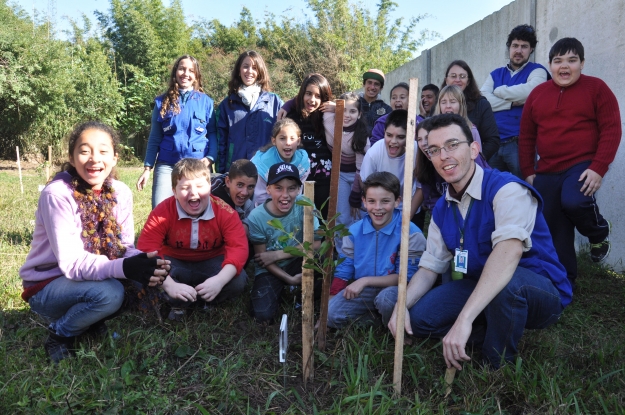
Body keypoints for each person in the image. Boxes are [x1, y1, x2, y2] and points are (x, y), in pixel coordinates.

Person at [380, 113, 572, 369]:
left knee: (508, 285)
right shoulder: (441, 208)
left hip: (537, 289)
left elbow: (509, 253)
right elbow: (429, 267)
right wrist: (403, 305)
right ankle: (487, 329)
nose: (444, 156)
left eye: (452, 145)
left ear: (473, 149)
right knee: (419, 319)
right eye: (434, 150)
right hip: (479, 285)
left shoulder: (507, 190)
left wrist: (463, 319)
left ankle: (497, 363)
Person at [20, 121, 170, 363]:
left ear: (114, 158)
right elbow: (71, 263)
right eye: (84, 150)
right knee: (111, 293)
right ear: (71, 156)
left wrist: (144, 262)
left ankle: (90, 319)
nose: (94, 159)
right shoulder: (57, 194)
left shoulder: (120, 192)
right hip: (48, 286)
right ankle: (61, 333)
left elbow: (123, 248)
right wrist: (124, 268)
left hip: (84, 279)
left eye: (103, 151)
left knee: (132, 282)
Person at [519, 37, 621, 284]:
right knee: (555, 230)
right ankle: (565, 283)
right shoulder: (537, 94)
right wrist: (527, 170)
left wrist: (598, 168)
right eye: (558, 61)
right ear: (550, 65)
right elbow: (526, 135)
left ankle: (598, 232)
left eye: (572, 60)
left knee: (574, 201)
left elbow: (611, 129)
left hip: (582, 163)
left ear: (582, 63)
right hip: (547, 169)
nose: (564, 66)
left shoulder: (597, 88)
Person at [137, 158, 249, 320]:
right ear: (174, 191)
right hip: (173, 264)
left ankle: (202, 298)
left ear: (210, 188)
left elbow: (239, 249)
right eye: (185, 187)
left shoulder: (225, 211)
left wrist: (219, 281)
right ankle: (181, 298)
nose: (193, 193)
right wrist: (169, 285)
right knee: (142, 278)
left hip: (212, 264)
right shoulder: (162, 212)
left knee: (238, 280)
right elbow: (146, 250)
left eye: (199, 186)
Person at [327, 172, 425, 329]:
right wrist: (332, 301)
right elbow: (344, 268)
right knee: (331, 315)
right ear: (364, 202)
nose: (378, 208)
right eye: (371, 201)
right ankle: (379, 323)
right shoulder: (354, 231)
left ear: (397, 201)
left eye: (385, 201)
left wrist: (365, 280)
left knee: (385, 300)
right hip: (365, 291)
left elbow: (406, 278)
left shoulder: (411, 233)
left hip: (394, 291)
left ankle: (397, 327)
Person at [244, 162, 322, 323]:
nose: (285, 195)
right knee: (262, 315)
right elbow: (262, 259)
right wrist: (289, 279)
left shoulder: (305, 204)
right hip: (272, 269)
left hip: (299, 260)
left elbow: (316, 244)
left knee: (325, 261)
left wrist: (278, 254)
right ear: (268, 189)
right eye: (278, 188)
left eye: (291, 188)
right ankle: (287, 287)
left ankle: (310, 293)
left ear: (298, 190)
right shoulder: (256, 217)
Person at [137, 55, 217, 208]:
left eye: (190, 71)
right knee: (160, 209)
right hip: (167, 164)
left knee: (197, 210)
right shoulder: (162, 102)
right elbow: (155, 137)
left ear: (196, 76)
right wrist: (147, 168)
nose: (186, 74)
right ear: (175, 72)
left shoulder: (206, 102)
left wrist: (210, 158)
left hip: (198, 164)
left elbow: (212, 133)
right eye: (182, 69)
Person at [481, 24, 549, 179]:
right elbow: (483, 100)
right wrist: (511, 103)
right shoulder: (495, 74)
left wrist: (499, 91)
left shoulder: (537, 71)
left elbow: (531, 92)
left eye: (524, 46)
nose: (519, 50)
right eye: (515, 45)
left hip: (520, 145)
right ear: (509, 47)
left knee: (526, 190)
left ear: (531, 49)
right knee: (492, 190)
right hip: (493, 145)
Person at [217, 50, 283, 173]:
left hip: (267, 170)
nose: (249, 71)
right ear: (239, 70)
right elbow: (221, 144)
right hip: (236, 171)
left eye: (254, 67)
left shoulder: (274, 102)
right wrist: (221, 173)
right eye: (245, 66)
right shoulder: (226, 105)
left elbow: (287, 133)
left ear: (260, 71)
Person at [322, 92, 371, 253]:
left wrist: (356, 195)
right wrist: (335, 106)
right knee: (342, 216)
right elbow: (321, 105)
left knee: (357, 213)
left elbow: (360, 169)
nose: (347, 115)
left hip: (360, 176)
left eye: (353, 111)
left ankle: (358, 252)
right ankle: (342, 255)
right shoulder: (329, 121)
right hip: (340, 175)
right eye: (344, 110)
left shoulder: (361, 135)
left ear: (359, 114)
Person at [284, 73, 334, 219]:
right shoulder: (291, 116)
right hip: (298, 181)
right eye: (308, 94)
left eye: (318, 96)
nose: (312, 100)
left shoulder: (328, 117)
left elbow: (353, 109)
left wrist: (337, 107)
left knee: (322, 224)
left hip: (324, 182)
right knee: (299, 223)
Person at [358, 110, 421, 216]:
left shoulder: (418, 152)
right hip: (381, 209)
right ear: (384, 132)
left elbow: (421, 188)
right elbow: (365, 182)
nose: (393, 141)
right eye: (389, 135)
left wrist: (407, 218)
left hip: (409, 207)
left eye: (400, 137)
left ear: (411, 136)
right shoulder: (374, 152)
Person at [441, 60, 500, 160]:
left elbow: (492, 140)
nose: (458, 80)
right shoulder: (438, 104)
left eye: (462, 76)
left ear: (468, 81)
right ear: (446, 80)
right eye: (453, 76)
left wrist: (476, 161)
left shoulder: (481, 104)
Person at [251, 118, 310, 206]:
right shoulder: (262, 164)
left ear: (298, 141)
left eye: (292, 138)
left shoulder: (303, 162)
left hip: (291, 208)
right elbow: (260, 197)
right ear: (274, 141)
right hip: (266, 209)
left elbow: (298, 192)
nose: (288, 143)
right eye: (282, 138)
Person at [434, 85, 489, 167]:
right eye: (443, 102)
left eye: (453, 102)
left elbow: (478, 161)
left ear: (461, 105)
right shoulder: (433, 131)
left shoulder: (472, 130)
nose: (448, 106)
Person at [359, 69, 393, 135]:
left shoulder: (388, 110)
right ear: (363, 84)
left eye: (376, 84)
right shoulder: (354, 104)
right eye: (369, 82)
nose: (372, 87)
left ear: (381, 88)